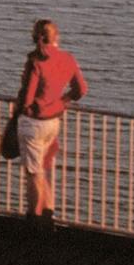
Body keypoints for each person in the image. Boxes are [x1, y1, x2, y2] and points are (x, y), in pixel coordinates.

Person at [12, 18, 87, 226]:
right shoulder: (68, 59)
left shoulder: (36, 61)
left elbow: (27, 99)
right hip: (53, 122)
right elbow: (81, 89)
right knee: (42, 169)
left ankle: (35, 220)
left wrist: (21, 109)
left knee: (33, 173)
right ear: (57, 37)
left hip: (33, 122)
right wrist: (63, 101)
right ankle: (48, 213)